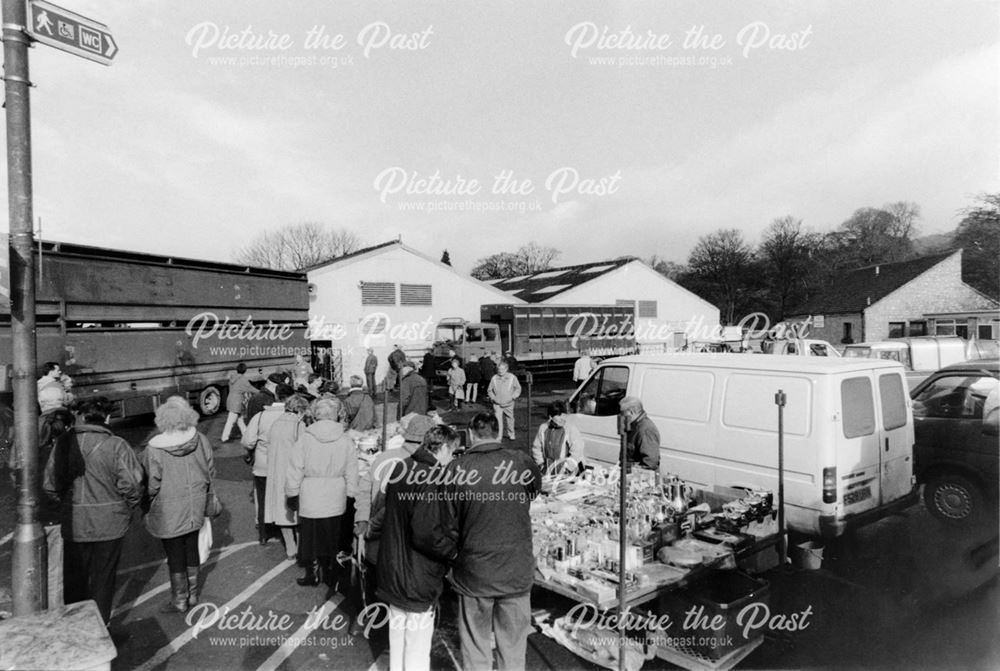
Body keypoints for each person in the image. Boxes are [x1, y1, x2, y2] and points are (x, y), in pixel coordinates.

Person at [438, 413, 540, 670]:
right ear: (499, 433)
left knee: (476, 643)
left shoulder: (456, 468)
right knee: (514, 645)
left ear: (471, 435)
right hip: (516, 570)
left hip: (474, 573)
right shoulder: (520, 461)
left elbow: (447, 524)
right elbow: (534, 492)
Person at [377, 425, 459, 671]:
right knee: (418, 645)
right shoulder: (432, 477)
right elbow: (427, 534)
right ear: (442, 447)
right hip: (418, 574)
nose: (452, 458)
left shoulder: (401, 467)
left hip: (393, 567)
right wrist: (452, 552)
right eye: (452, 452)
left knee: (398, 636)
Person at [61, 398, 144, 624]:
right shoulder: (117, 445)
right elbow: (132, 484)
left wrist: (67, 503)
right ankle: (100, 628)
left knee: (75, 578)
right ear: (106, 418)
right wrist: (128, 505)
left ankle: (73, 626)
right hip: (110, 522)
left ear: (83, 417)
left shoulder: (64, 442)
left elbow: (50, 483)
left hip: (74, 522)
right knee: (103, 578)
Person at [142, 396, 216, 613]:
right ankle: (193, 595)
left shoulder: (155, 447)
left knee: (174, 552)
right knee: (191, 546)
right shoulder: (200, 439)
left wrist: (147, 503)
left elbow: (152, 482)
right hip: (196, 502)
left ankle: (179, 599)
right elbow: (210, 469)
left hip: (168, 506)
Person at [286, 397, 359, 587]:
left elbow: (295, 469)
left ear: (316, 415)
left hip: (311, 493)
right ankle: (331, 573)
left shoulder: (306, 439)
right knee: (333, 534)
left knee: (310, 535)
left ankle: (312, 572)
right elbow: (352, 471)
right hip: (336, 494)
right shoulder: (345, 440)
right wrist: (351, 494)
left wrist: (292, 493)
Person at [31, 407, 79, 610]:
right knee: (55, 572)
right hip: (55, 518)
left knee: (34, 571)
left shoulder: (32, 454)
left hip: (32, 519)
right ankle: (56, 613)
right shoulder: (62, 454)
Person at [242, 384, 294, 545]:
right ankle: (287, 528)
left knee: (262, 498)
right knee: (286, 497)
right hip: (286, 464)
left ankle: (264, 534)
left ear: (275, 396)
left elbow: (248, 442)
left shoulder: (260, 416)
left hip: (263, 465)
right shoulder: (292, 417)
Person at [265, 394, 309, 560]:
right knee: (298, 512)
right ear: (300, 410)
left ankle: (290, 548)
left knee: (281, 510)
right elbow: (304, 450)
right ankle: (300, 546)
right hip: (293, 472)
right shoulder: (299, 425)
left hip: (276, 471)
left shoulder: (276, 423)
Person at [532, 400, 586, 474]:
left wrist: (568, 468)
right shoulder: (543, 428)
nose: (562, 418)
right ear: (550, 417)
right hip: (548, 471)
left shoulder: (570, 428)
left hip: (566, 472)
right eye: (559, 415)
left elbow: (577, 450)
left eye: (564, 415)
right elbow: (537, 447)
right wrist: (540, 464)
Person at [619, 396, 660, 471]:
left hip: (638, 478)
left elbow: (650, 463)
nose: (621, 416)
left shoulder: (646, 429)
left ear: (631, 411)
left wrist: (633, 472)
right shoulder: (634, 426)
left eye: (622, 412)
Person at [222, 363, 257, 442]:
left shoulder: (232, 377)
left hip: (230, 399)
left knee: (239, 419)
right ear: (245, 370)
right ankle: (224, 437)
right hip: (237, 402)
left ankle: (245, 434)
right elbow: (250, 388)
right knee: (231, 420)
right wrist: (260, 391)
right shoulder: (243, 380)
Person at [488, 361, 521, 441]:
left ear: (506, 369)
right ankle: (499, 436)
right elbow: (489, 390)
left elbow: (518, 388)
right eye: (499, 369)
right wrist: (493, 398)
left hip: (509, 403)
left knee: (510, 419)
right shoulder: (494, 378)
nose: (500, 371)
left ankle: (511, 434)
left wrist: (513, 397)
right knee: (498, 420)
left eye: (502, 369)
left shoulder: (512, 377)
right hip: (497, 404)